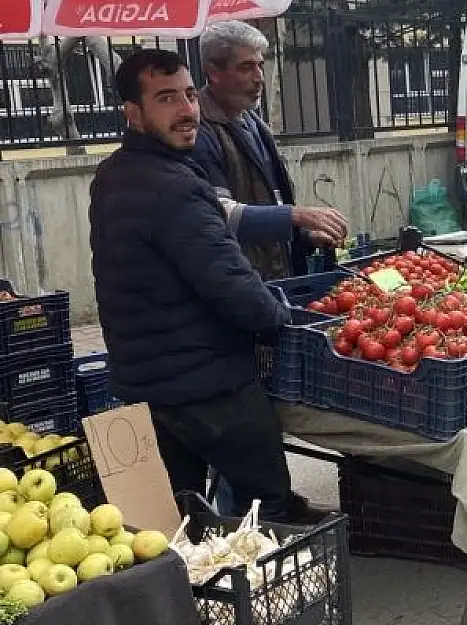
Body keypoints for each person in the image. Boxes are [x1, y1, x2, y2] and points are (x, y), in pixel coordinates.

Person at [89, 49, 319, 523]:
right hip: (209, 388)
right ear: (133, 113)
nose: (187, 110)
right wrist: (279, 318)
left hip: (146, 382)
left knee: (179, 517)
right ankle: (255, 592)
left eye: (190, 95)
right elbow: (230, 283)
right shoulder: (173, 187)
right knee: (266, 504)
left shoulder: (112, 176)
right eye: (167, 99)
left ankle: (197, 595)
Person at [192, 20, 349, 281]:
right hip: (237, 285)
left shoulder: (254, 124)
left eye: (260, 66)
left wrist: (305, 236)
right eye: (246, 67)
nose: (259, 78)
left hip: (272, 280)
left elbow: (269, 202)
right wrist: (294, 215)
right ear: (214, 72)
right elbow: (217, 214)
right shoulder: (200, 132)